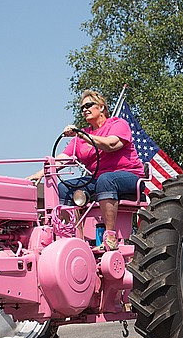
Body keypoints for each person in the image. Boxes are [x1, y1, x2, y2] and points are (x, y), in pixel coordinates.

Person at [27, 90, 144, 251]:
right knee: (64, 188)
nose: (84, 109)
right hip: (99, 181)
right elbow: (63, 158)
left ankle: (110, 237)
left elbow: (111, 145)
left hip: (129, 177)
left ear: (102, 107)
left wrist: (81, 135)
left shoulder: (117, 124)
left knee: (106, 180)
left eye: (89, 105)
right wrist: (39, 174)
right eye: (82, 107)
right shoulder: (83, 135)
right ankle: (74, 239)